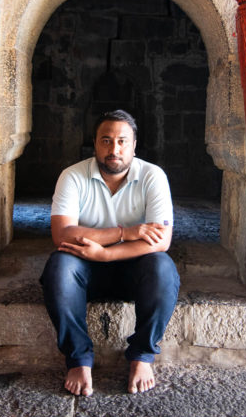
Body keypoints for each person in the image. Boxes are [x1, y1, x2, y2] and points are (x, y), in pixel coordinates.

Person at [40, 109, 180, 397]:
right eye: (106, 141)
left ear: (134, 145)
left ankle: (141, 356)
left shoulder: (153, 176)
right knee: (59, 266)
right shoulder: (73, 176)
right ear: (95, 143)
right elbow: (62, 234)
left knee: (162, 268)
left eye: (121, 141)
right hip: (84, 269)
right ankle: (78, 360)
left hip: (133, 269)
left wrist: (105, 254)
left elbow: (161, 240)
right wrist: (124, 233)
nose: (114, 149)